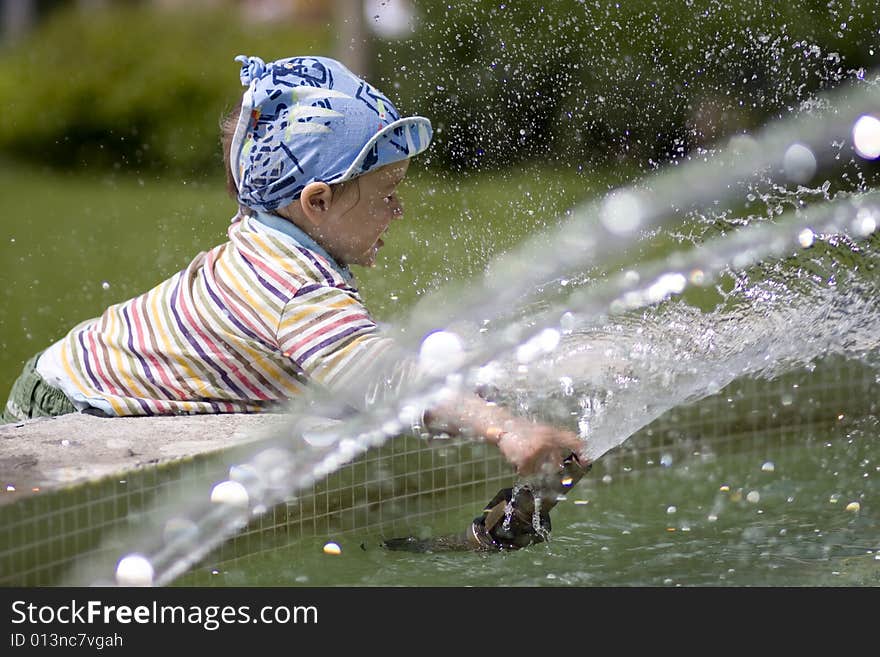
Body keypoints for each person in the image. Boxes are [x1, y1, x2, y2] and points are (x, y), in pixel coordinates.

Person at [2, 55, 587, 476]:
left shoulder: (273, 241)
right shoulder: (294, 288)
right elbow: (385, 381)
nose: (399, 210)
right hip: (76, 407)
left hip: (67, 374)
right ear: (318, 201)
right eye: (386, 194)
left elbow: (344, 356)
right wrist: (503, 426)